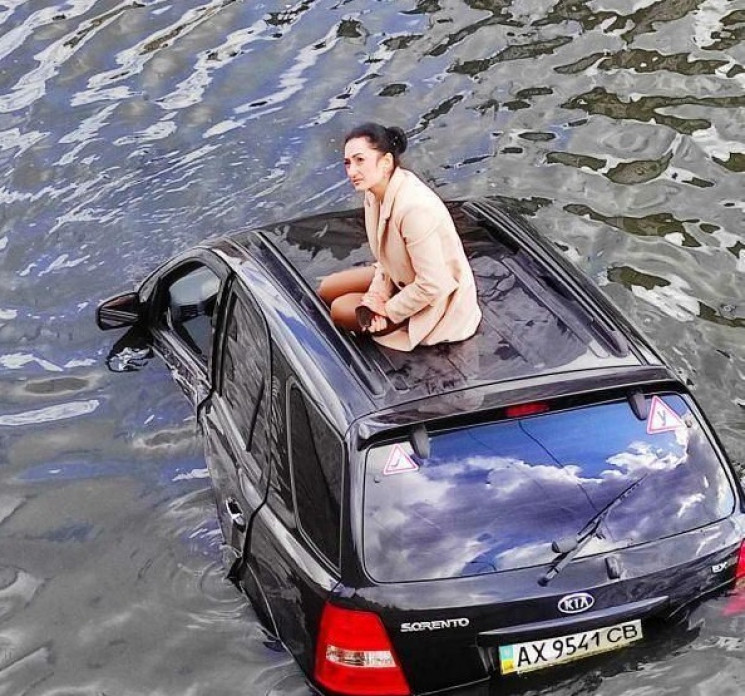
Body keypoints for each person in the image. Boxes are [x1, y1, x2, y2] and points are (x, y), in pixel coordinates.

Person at [318, 122, 482, 352]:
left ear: (385, 162)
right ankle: (379, 303)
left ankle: (398, 322)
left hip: (435, 301)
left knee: (340, 309)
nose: (352, 171)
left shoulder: (414, 209)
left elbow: (433, 284)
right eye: (347, 163)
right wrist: (376, 295)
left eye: (360, 160)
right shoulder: (373, 194)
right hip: (400, 276)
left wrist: (388, 309)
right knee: (327, 288)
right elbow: (385, 259)